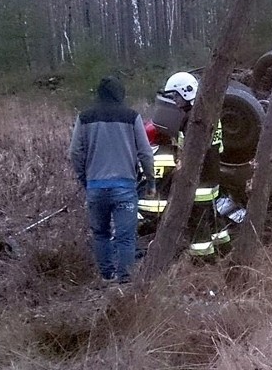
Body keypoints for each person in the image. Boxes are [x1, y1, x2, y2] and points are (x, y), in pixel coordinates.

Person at [69, 76, 156, 284]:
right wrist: (151, 181)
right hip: (125, 187)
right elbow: (145, 152)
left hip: (95, 187)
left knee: (101, 233)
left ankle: (106, 276)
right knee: (126, 237)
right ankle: (125, 280)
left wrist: (84, 177)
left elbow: (74, 152)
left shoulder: (85, 117)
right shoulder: (132, 116)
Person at [159, 72, 229, 259]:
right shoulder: (212, 113)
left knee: (198, 224)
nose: (175, 101)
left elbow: (186, 153)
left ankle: (204, 260)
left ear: (186, 92)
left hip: (199, 180)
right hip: (213, 175)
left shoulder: (190, 119)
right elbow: (219, 146)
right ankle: (225, 250)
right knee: (214, 217)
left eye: (176, 96)